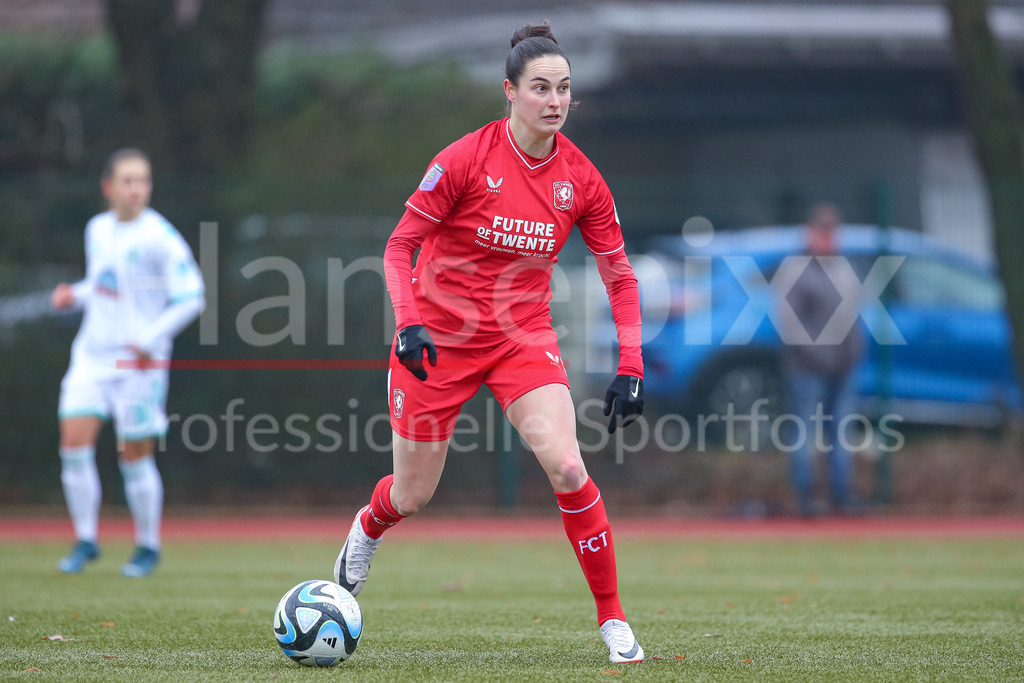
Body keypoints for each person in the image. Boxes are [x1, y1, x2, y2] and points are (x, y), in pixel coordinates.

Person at [333, 22, 646, 663]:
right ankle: (367, 529)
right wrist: (408, 321)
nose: (554, 101)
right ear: (510, 91)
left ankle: (613, 621)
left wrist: (630, 362)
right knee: (412, 495)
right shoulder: (464, 160)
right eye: (540, 88)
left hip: (521, 337)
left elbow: (619, 272)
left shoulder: (582, 179)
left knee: (567, 465)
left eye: (564, 89)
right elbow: (399, 247)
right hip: (438, 342)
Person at [51, 148, 206, 576]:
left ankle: (147, 546)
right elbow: (103, 282)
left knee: (133, 455)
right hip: (92, 356)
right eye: (128, 180)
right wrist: (75, 295)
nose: (138, 189)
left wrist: (149, 339)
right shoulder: (97, 229)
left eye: (144, 180)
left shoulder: (160, 236)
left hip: (140, 366)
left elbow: (193, 297)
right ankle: (86, 540)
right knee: (73, 446)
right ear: (108, 187)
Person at [778, 203, 864, 517]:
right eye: (823, 231)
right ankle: (806, 498)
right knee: (805, 432)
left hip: (844, 367)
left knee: (841, 433)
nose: (829, 239)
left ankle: (843, 496)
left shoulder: (843, 267)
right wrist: (818, 356)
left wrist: (852, 354)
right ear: (810, 233)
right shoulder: (795, 269)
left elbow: (853, 315)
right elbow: (790, 323)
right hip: (808, 369)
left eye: (833, 232)